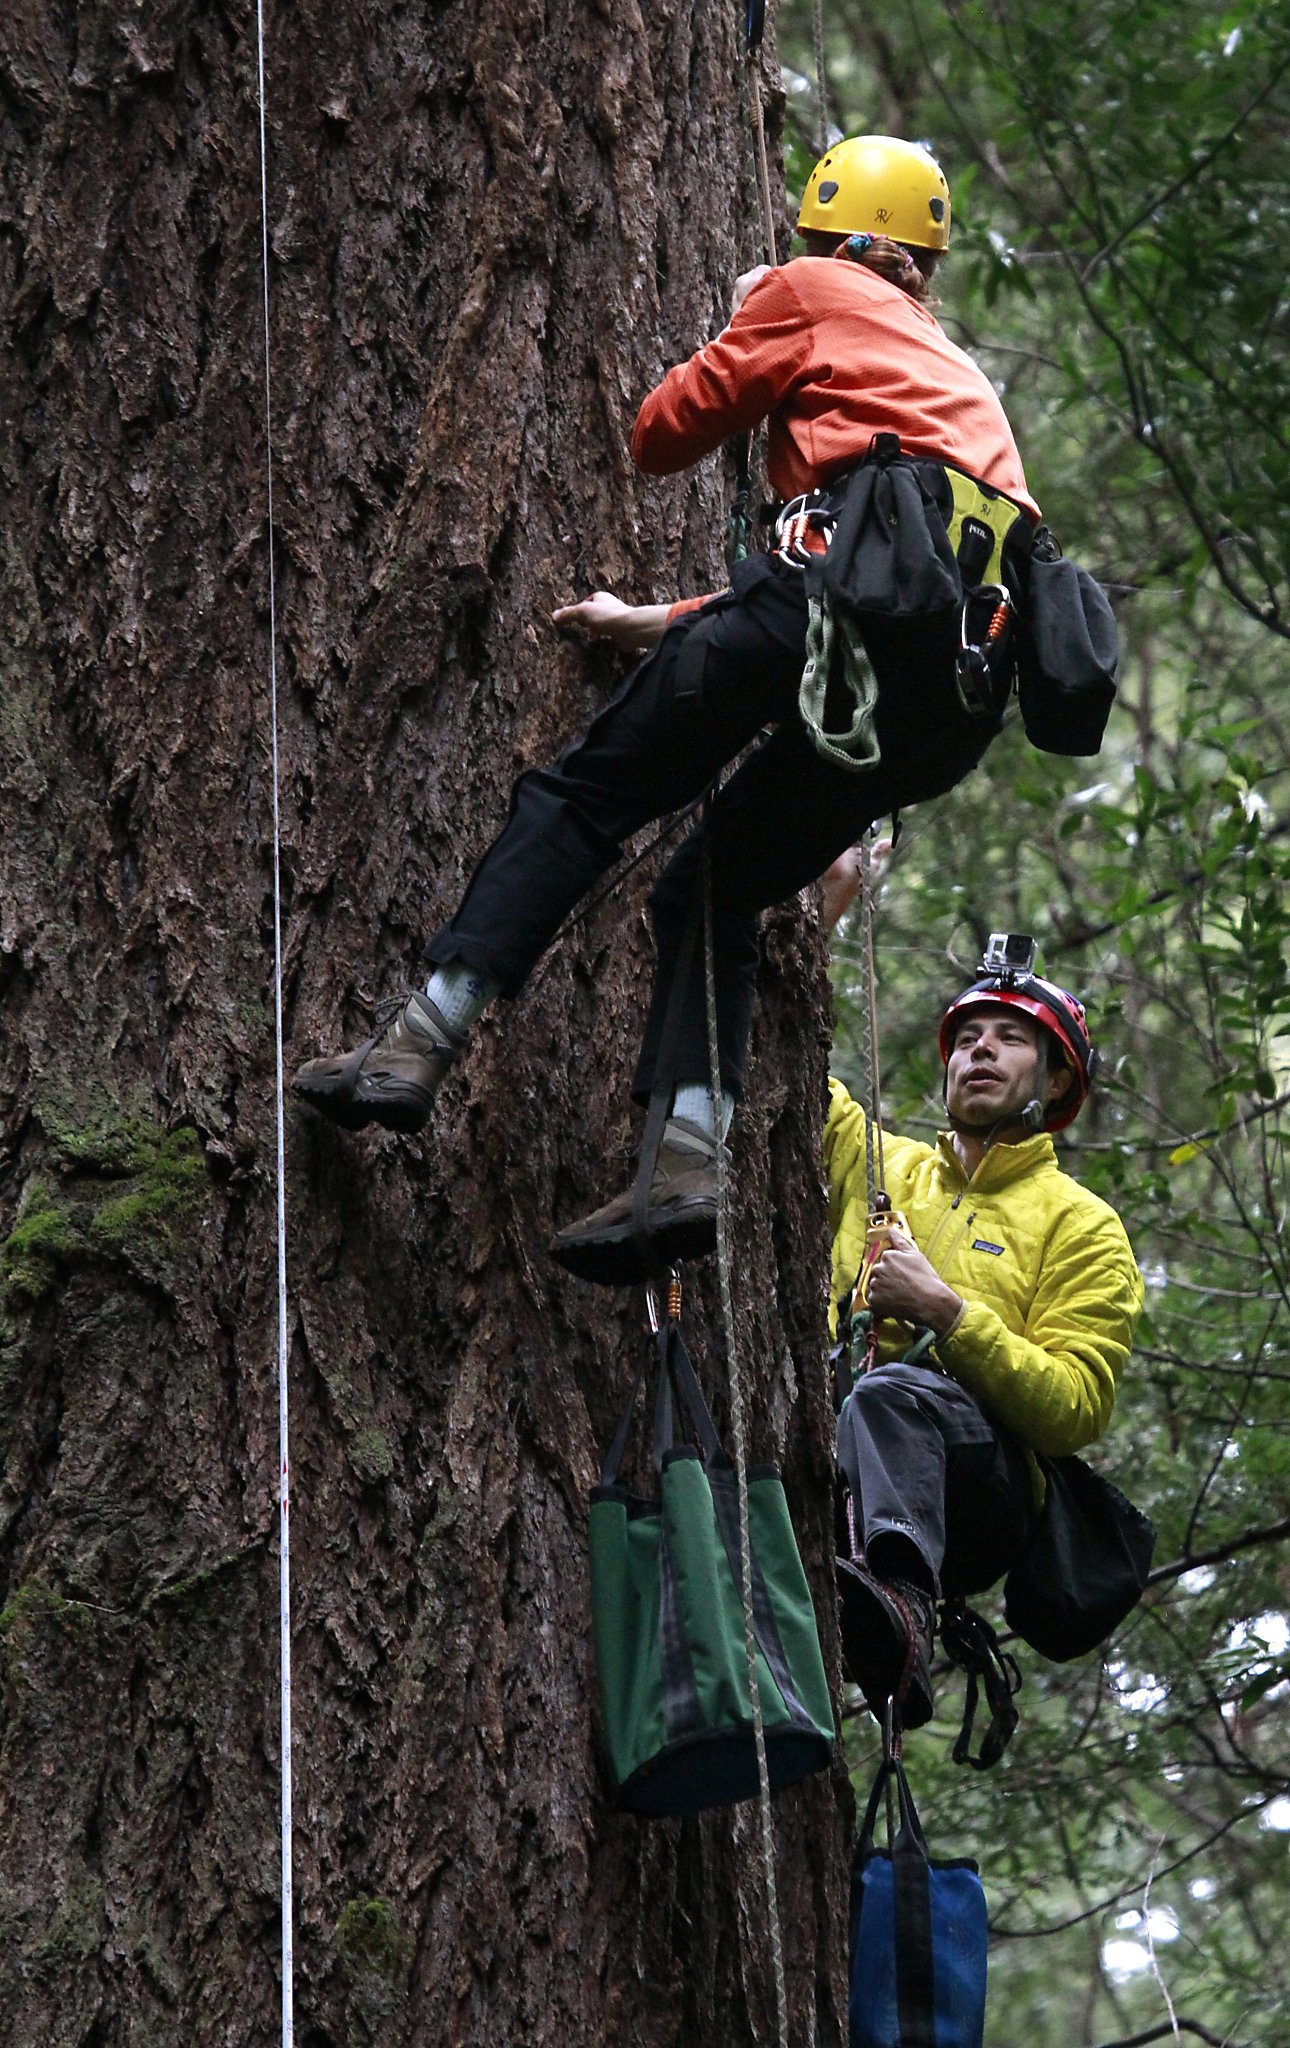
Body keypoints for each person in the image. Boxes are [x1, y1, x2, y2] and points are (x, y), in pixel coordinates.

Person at [293, 136, 1044, 1285]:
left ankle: (418, 1038)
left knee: (585, 795)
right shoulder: (958, 381)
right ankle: (690, 1153)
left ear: (822, 231)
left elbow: (659, 435)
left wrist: (748, 324)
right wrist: (661, 619)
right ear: (923, 263)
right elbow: (878, 573)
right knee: (715, 884)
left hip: (818, 622)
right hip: (945, 702)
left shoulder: (806, 290)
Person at [820, 884, 1143, 1728]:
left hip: (980, 1487)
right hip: (842, 1447)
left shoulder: (1080, 1225)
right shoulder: (881, 1162)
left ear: (1058, 1074)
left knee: (890, 1395)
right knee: (859, 1405)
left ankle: (899, 1614)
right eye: (966, 1039)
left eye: (1009, 1040)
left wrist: (945, 1313)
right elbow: (791, 1070)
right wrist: (819, 917)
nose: (980, 1054)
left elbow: (1075, 1407)